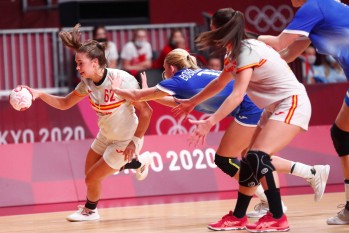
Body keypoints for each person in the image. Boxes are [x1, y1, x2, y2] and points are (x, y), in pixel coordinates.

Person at [109, 47, 330, 228]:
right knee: (252, 157)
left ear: (172, 68)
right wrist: (152, 93)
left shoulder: (175, 81)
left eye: (164, 71)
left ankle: (268, 203)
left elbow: (137, 95)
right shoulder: (195, 76)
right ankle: (310, 173)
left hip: (248, 107)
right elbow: (177, 102)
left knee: (226, 159)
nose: (164, 75)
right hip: (255, 102)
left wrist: (117, 90)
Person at [171, 8, 330, 232]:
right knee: (248, 159)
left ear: (216, 28)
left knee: (257, 156)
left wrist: (210, 121)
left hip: (292, 102)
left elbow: (237, 95)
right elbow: (217, 85)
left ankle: (278, 217)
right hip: (274, 107)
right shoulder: (234, 53)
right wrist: (191, 102)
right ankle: (238, 217)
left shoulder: (246, 51)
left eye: (212, 28)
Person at [24, 24, 153, 222]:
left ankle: (90, 211)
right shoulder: (87, 84)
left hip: (125, 139)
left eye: (80, 63)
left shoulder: (122, 79)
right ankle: (137, 163)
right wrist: (40, 94)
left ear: (94, 62)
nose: (77, 68)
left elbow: (146, 112)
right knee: (89, 175)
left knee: (92, 178)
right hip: (105, 135)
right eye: (76, 63)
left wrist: (134, 142)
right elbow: (65, 103)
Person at [257, 0, 349, 225]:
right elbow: (287, 55)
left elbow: (278, 43)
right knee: (341, 133)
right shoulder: (321, 12)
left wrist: (255, 41)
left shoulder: (315, 6)